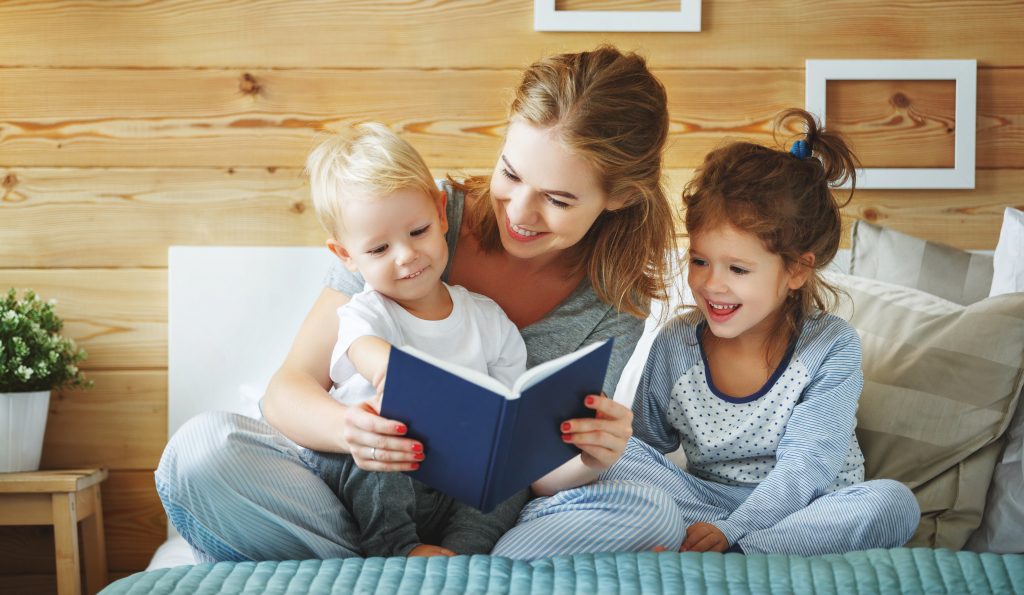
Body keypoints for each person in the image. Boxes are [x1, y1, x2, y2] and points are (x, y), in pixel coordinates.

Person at [154, 45, 676, 562]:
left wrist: (589, 458)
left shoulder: (615, 298)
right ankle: (424, 566)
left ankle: (422, 566)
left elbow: (540, 475)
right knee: (199, 454)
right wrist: (350, 431)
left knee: (651, 510)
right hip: (359, 486)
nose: (519, 211)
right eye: (511, 173)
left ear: (620, 197)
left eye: (558, 200)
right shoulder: (405, 216)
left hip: (485, 509)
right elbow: (289, 390)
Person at [491, 109, 921, 560]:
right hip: (703, 506)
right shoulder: (677, 342)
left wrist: (734, 534)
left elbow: (805, 468)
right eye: (700, 261)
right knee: (614, 455)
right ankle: (605, 533)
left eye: (738, 269)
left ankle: (736, 559)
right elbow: (645, 453)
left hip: (805, 513)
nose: (712, 284)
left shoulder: (830, 347)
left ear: (796, 269)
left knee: (892, 503)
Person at [303, 122, 530, 557]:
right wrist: (392, 371)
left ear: (442, 215)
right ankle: (397, 549)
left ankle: (466, 548)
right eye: (378, 249)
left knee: (511, 474)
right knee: (371, 462)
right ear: (345, 256)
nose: (406, 256)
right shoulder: (364, 312)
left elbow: (510, 396)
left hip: (453, 475)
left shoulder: (486, 318)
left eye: (418, 231)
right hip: (379, 465)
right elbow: (362, 346)